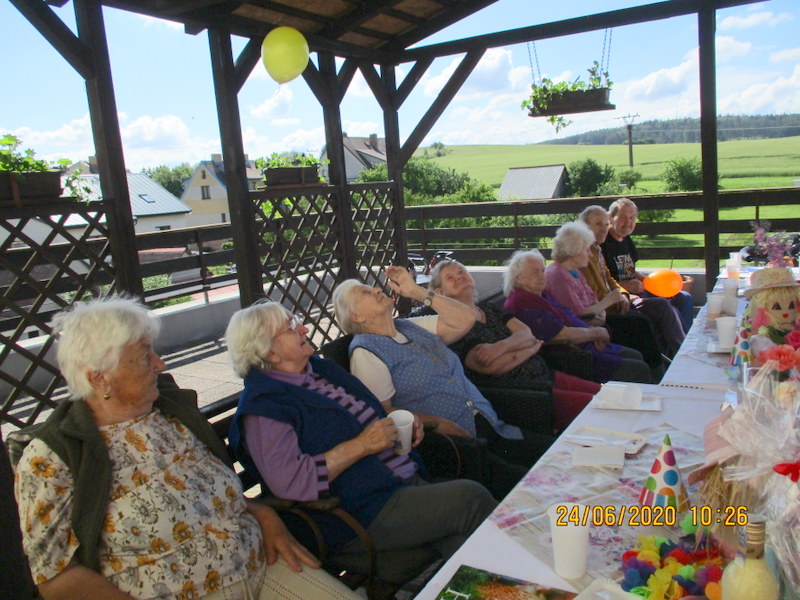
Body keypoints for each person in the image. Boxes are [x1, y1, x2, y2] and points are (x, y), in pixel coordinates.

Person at [12, 296, 360, 600]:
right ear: (99, 377)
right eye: (144, 355)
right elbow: (55, 577)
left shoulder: (169, 414)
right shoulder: (53, 457)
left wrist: (260, 512)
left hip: (260, 561)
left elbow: (208, 494)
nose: (160, 364)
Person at [225, 301, 496, 582]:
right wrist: (363, 445)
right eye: (291, 327)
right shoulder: (265, 409)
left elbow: (367, 417)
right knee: (470, 499)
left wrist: (401, 422)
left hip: (396, 483)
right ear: (269, 351)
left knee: (464, 543)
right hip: (360, 512)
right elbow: (290, 481)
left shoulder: (319, 372)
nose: (304, 328)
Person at [332, 266, 555, 499]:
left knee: (558, 454)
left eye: (372, 288)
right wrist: (438, 423)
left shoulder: (408, 326)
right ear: (357, 316)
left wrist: (416, 291)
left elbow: (466, 318)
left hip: (491, 423)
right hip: (458, 443)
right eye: (366, 292)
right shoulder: (366, 351)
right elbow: (382, 410)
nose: (377, 290)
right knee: (542, 485)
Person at [412, 258, 601, 432]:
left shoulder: (489, 309)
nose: (460, 277)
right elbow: (491, 366)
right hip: (527, 394)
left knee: (604, 396)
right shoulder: (452, 327)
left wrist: (500, 348)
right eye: (450, 277)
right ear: (440, 293)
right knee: (598, 409)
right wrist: (529, 348)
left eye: (462, 272)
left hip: (546, 374)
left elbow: (526, 332)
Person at [503, 249, 653, 384]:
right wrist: (596, 333)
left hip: (586, 344)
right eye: (535, 272)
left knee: (636, 354)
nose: (542, 276)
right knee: (638, 369)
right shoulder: (523, 303)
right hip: (571, 357)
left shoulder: (541, 294)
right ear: (519, 277)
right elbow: (559, 334)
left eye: (543, 271)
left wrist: (594, 332)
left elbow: (569, 316)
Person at [546, 220, 665, 379]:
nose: (590, 255)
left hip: (597, 322)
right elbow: (578, 315)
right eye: (587, 250)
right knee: (638, 327)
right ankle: (656, 376)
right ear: (574, 250)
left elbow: (593, 301)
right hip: (584, 333)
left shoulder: (574, 271)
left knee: (640, 323)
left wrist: (601, 309)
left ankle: (657, 373)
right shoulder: (559, 276)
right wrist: (608, 302)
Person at [580, 205, 685, 358]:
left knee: (679, 298)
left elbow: (611, 279)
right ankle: (681, 354)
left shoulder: (597, 251)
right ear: (584, 227)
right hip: (606, 311)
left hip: (622, 299)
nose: (603, 229)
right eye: (598, 224)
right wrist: (622, 294)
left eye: (605, 224)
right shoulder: (583, 256)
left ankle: (680, 349)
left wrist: (624, 294)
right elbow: (594, 293)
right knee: (660, 307)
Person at [601, 197, 695, 333]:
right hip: (623, 297)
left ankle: (687, 338)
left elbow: (630, 270)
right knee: (665, 306)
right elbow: (601, 281)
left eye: (632, 217)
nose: (628, 222)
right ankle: (681, 342)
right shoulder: (602, 243)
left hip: (639, 290)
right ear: (610, 218)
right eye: (623, 217)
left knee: (684, 298)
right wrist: (626, 286)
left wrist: (647, 280)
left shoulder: (626, 239)